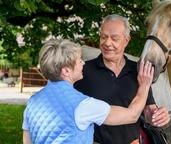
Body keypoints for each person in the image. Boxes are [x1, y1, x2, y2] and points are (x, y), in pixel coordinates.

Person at [22, 39, 154, 144]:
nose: (83, 64)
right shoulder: (83, 105)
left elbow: (27, 141)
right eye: (79, 61)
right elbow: (132, 115)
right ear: (66, 71)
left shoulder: (33, 102)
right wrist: (144, 85)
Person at [74, 14, 170, 144]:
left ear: (126, 40)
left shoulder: (138, 71)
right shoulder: (83, 71)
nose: (107, 43)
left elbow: (148, 111)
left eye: (114, 38)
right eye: (103, 37)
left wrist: (158, 116)